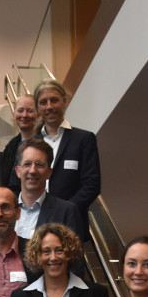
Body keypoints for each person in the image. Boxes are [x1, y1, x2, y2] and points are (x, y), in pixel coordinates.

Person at [29, 79, 101, 217]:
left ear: (64, 101)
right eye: (43, 102)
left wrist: (66, 209)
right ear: (38, 108)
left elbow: (92, 185)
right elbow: (15, 184)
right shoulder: (29, 145)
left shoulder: (84, 139)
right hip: (34, 219)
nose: (49, 106)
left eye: (54, 100)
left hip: (70, 220)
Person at [12, 138, 87, 243]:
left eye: (39, 164)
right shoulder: (3, 210)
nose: (33, 170)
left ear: (49, 172)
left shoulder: (66, 212)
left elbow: (74, 257)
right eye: (27, 164)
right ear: (18, 171)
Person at [0, 93, 39, 191]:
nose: (24, 115)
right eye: (20, 110)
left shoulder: (44, 144)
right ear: (14, 114)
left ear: (38, 114)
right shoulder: (10, 148)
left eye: (30, 111)